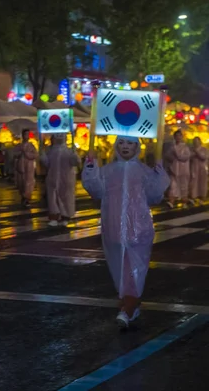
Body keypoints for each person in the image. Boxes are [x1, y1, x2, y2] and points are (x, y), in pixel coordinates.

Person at [82, 136, 169, 329]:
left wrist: (159, 176)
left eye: (130, 143)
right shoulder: (107, 171)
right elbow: (95, 191)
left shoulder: (145, 172)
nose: (125, 147)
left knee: (132, 271)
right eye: (121, 142)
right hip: (113, 229)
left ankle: (127, 310)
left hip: (139, 229)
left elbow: (155, 196)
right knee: (121, 272)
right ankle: (131, 305)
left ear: (137, 146)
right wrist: (90, 168)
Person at [40, 134, 79, 226]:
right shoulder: (50, 151)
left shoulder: (69, 151)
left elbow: (75, 162)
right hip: (52, 177)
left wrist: (75, 155)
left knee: (65, 198)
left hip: (66, 178)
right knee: (53, 198)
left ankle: (65, 217)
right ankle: (54, 217)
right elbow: (47, 163)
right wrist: (42, 156)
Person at [166, 130, 191, 207]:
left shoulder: (185, 147)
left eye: (179, 135)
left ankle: (184, 202)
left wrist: (176, 153)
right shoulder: (172, 147)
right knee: (173, 186)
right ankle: (171, 202)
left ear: (181, 137)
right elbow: (168, 156)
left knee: (183, 186)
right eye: (176, 136)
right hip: (174, 169)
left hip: (183, 170)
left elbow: (185, 157)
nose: (178, 137)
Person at [14, 129, 38, 207]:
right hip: (21, 166)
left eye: (27, 134)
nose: (26, 136)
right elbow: (15, 154)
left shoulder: (31, 146)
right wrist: (20, 153)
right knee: (21, 182)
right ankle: (23, 197)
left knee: (29, 182)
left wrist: (26, 153)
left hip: (29, 166)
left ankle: (26, 198)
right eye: (25, 134)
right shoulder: (19, 146)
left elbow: (35, 155)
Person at [189, 136, 207, 203]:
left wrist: (196, 152)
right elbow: (189, 157)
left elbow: (204, 157)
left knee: (202, 182)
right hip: (194, 167)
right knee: (194, 182)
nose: (196, 142)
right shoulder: (191, 149)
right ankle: (193, 196)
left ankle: (202, 196)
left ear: (200, 142)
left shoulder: (204, 149)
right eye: (194, 141)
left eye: (197, 141)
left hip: (202, 168)